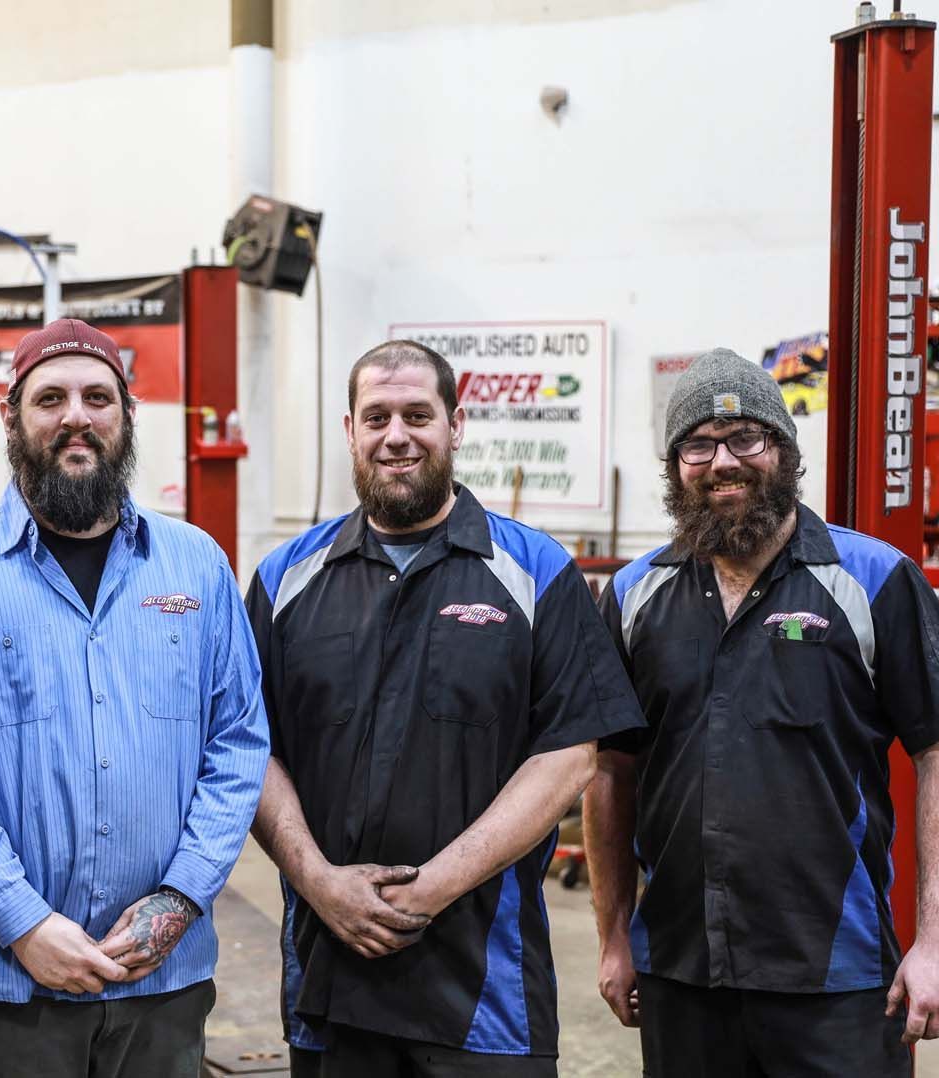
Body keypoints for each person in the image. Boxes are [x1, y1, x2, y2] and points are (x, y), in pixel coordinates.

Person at [583, 347, 939, 1078]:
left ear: (785, 450)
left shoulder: (875, 580)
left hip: (835, 971)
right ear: (675, 467)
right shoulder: (634, 596)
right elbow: (610, 770)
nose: (722, 462)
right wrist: (613, 937)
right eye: (697, 445)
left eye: (746, 438)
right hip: (679, 968)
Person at [247, 340, 645, 1078]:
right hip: (328, 980)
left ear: (455, 426)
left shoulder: (537, 574)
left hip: (483, 991)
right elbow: (251, 749)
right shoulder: (285, 578)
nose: (396, 435)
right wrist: (320, 883)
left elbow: (569, 757)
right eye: (377, 417)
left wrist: (427, 891)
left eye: (417, 415)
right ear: (350, 431)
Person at [0, 317, 270, 1078]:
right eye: (50, 398)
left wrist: (181, 900)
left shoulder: (195, 566)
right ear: (11, 417)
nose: (76, 416)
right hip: (3, 988)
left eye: (99, 397)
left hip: (160, 982)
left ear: (127, 416)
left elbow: (237, 745)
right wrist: (23, 923)